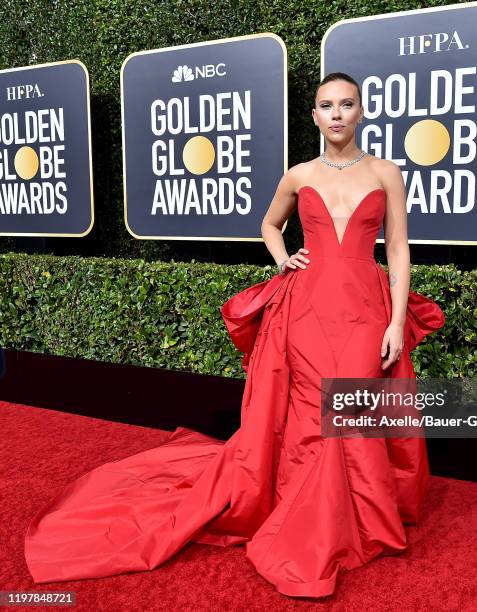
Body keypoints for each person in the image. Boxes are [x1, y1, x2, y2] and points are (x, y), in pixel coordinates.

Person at [24, 72, 445, 598]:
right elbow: (270, 226)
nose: (336, 114)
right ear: (313, 116)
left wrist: (397, 321)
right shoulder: (298, 174)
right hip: (306, 310)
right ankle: (316, 520)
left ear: (362, 111)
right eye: (326, 105)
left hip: (365, 309)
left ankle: (355, 514)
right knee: (315, 412)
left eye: (347, 104)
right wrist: (284, 260)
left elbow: (400, 250)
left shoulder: (386, 173)